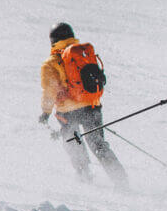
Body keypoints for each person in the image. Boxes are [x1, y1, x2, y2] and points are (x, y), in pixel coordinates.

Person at [39, 21, 126, 184]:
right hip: (92, 107)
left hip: (68, 112)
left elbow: (50, 90)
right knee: (98, 145)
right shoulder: (84, 54)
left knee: (74, 145)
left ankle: (85, 178)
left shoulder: (51, 62)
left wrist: (45, 112)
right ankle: (120, 179)